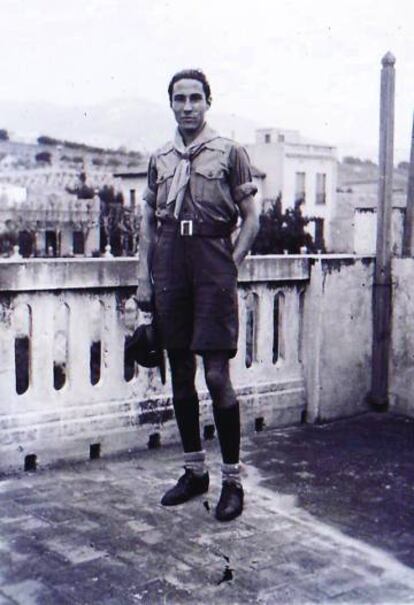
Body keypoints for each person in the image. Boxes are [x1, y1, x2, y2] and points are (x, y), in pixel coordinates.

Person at [137, 69, 259, 521]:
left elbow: (251, 218)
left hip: (211, 258)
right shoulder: (160, 157)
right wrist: (144, 278)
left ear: (208, 102)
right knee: (180, 372)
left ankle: (231, 480)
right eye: (179, 99)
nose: (187, 106)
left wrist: (230, 265)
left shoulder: (231, 153)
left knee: (215, 376)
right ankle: (194, 472)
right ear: (170, 104)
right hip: (171, 262)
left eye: (195, 98)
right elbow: (147, 221)